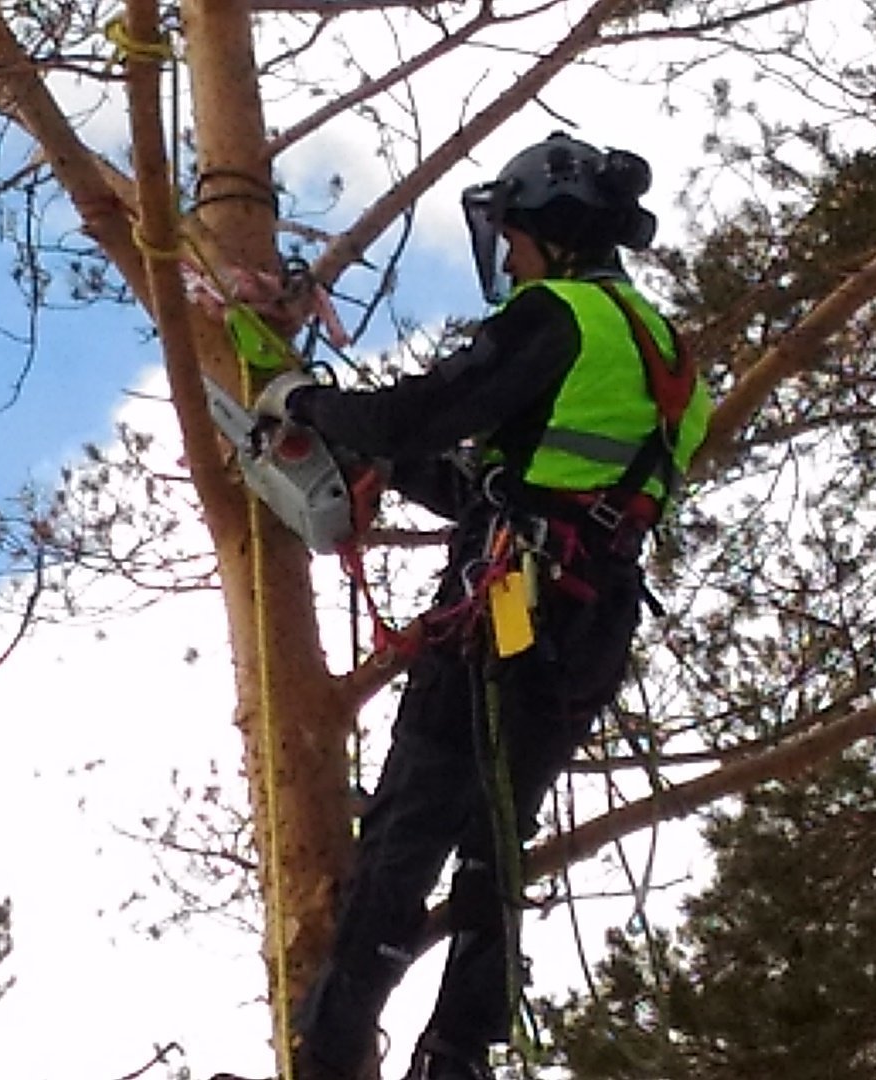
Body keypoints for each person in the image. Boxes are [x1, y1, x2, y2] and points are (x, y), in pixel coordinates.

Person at [240, 131, 713, 1080]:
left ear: (542, 229)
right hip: (591, 623)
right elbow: (525, 487)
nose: (509, 254)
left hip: (510, 605)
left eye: (513, 233)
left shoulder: (558, 316)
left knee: (411, 823)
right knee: (498, 831)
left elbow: (418, 411)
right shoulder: (667, 356)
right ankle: (455, 1056)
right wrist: (396, 468)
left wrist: (309, 404)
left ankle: (326, 1055)